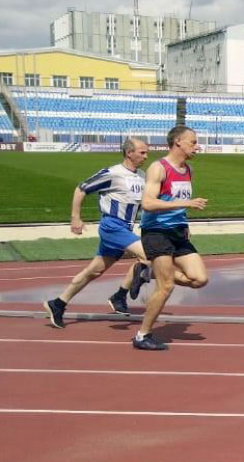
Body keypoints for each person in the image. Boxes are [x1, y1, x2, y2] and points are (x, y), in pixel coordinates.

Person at [43, 137, 152, 328]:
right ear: (129, 153)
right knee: (149, 254)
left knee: (93, 271)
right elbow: (81, 189)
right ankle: (120, 295)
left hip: (125, 228)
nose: (146, 156)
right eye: (142, 152)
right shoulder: (112, 173)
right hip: (112, 227)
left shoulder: (142, 175)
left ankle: (58, 304)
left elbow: (144, 204)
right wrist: (75, 217)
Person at [132, 126, 209, 351]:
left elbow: (176, 202)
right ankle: (142, 334)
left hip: (178, 232)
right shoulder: (158, 168)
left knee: (199, 279)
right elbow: (148, 203)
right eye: (193, 142)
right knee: (166, 286)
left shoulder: (188, 170)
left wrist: (184, 222)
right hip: (156, 233)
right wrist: (186, 203)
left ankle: (148, 271)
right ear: (177, 142)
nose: (197, 146)